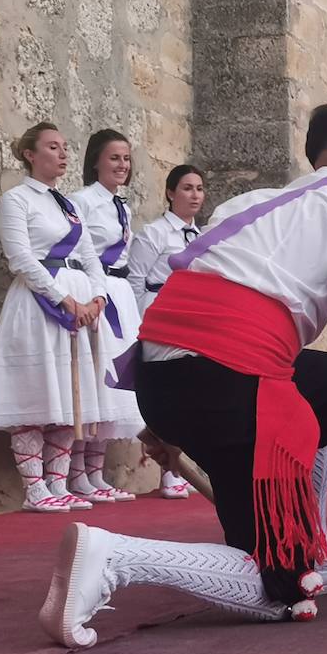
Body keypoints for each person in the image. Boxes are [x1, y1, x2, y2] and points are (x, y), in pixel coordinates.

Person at [38, 99, 327, 648]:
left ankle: (312, 546)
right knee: (279, 590)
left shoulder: (254, 201)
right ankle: (115, 556)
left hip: (169, 379)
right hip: (229, 384)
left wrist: (164, 419)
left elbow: (186, 291)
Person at [0, 123, 109, 512]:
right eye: (53, 147)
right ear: (30, 154)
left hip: (78, 304)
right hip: (39, 303)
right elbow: (20, 257)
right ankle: (35, 488)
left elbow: (90, 255)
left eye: (65, 147)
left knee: (68, 395)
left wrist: (98, 297)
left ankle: (58, 483)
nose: (63, 154)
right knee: (36, 391)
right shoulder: (16, 199)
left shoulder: (68, 205)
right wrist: (63, 298)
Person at [65, 128, 144, 503]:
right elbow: (75, 250)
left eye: (126, 158)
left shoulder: (122, 206)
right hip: (97, 292)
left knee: (113, 382)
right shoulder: (81, 201)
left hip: (121, 294)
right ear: (96, 160)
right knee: (95, 376)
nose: (122, 165)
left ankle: (95, 474)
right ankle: (77, 473)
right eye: (114, 157)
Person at [126, 165, 205, 498]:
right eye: (187, 188)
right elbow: (135, 279)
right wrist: (139, 321)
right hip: (161, 312)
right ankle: (168, 469)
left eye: (200, 188)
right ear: (171, 193)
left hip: (193, 316)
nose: (195, 195)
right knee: (167, 390)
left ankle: (186, 462)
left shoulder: (202, 237)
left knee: (192, 390)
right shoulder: (154, 234)